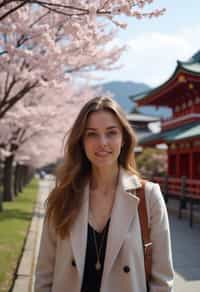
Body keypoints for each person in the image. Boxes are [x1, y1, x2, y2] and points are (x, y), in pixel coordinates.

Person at [35, 96, 174, 292]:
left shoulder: (148, 196)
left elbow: (163, 280)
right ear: (81, 141)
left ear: (124, 138)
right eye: (91, 134)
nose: (102, 143)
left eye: (111, 133)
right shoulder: (62, 196)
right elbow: (44, 275)